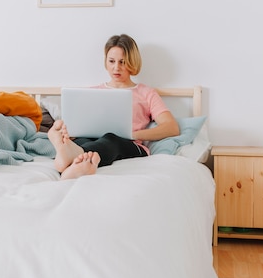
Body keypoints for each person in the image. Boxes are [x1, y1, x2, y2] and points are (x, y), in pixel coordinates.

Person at [48, 34, 180, 180]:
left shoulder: (146, 93)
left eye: (122, 62)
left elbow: (171, 127)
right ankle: (73, 165)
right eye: (111, 61)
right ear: (106, 61)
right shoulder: (91, 93)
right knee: (80, 140)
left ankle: (71, 156)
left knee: (111, 138)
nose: (116, 67)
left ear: (132, 62)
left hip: (128, 144)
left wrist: (133, 134)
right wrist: (70, 131)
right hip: (91, 139)